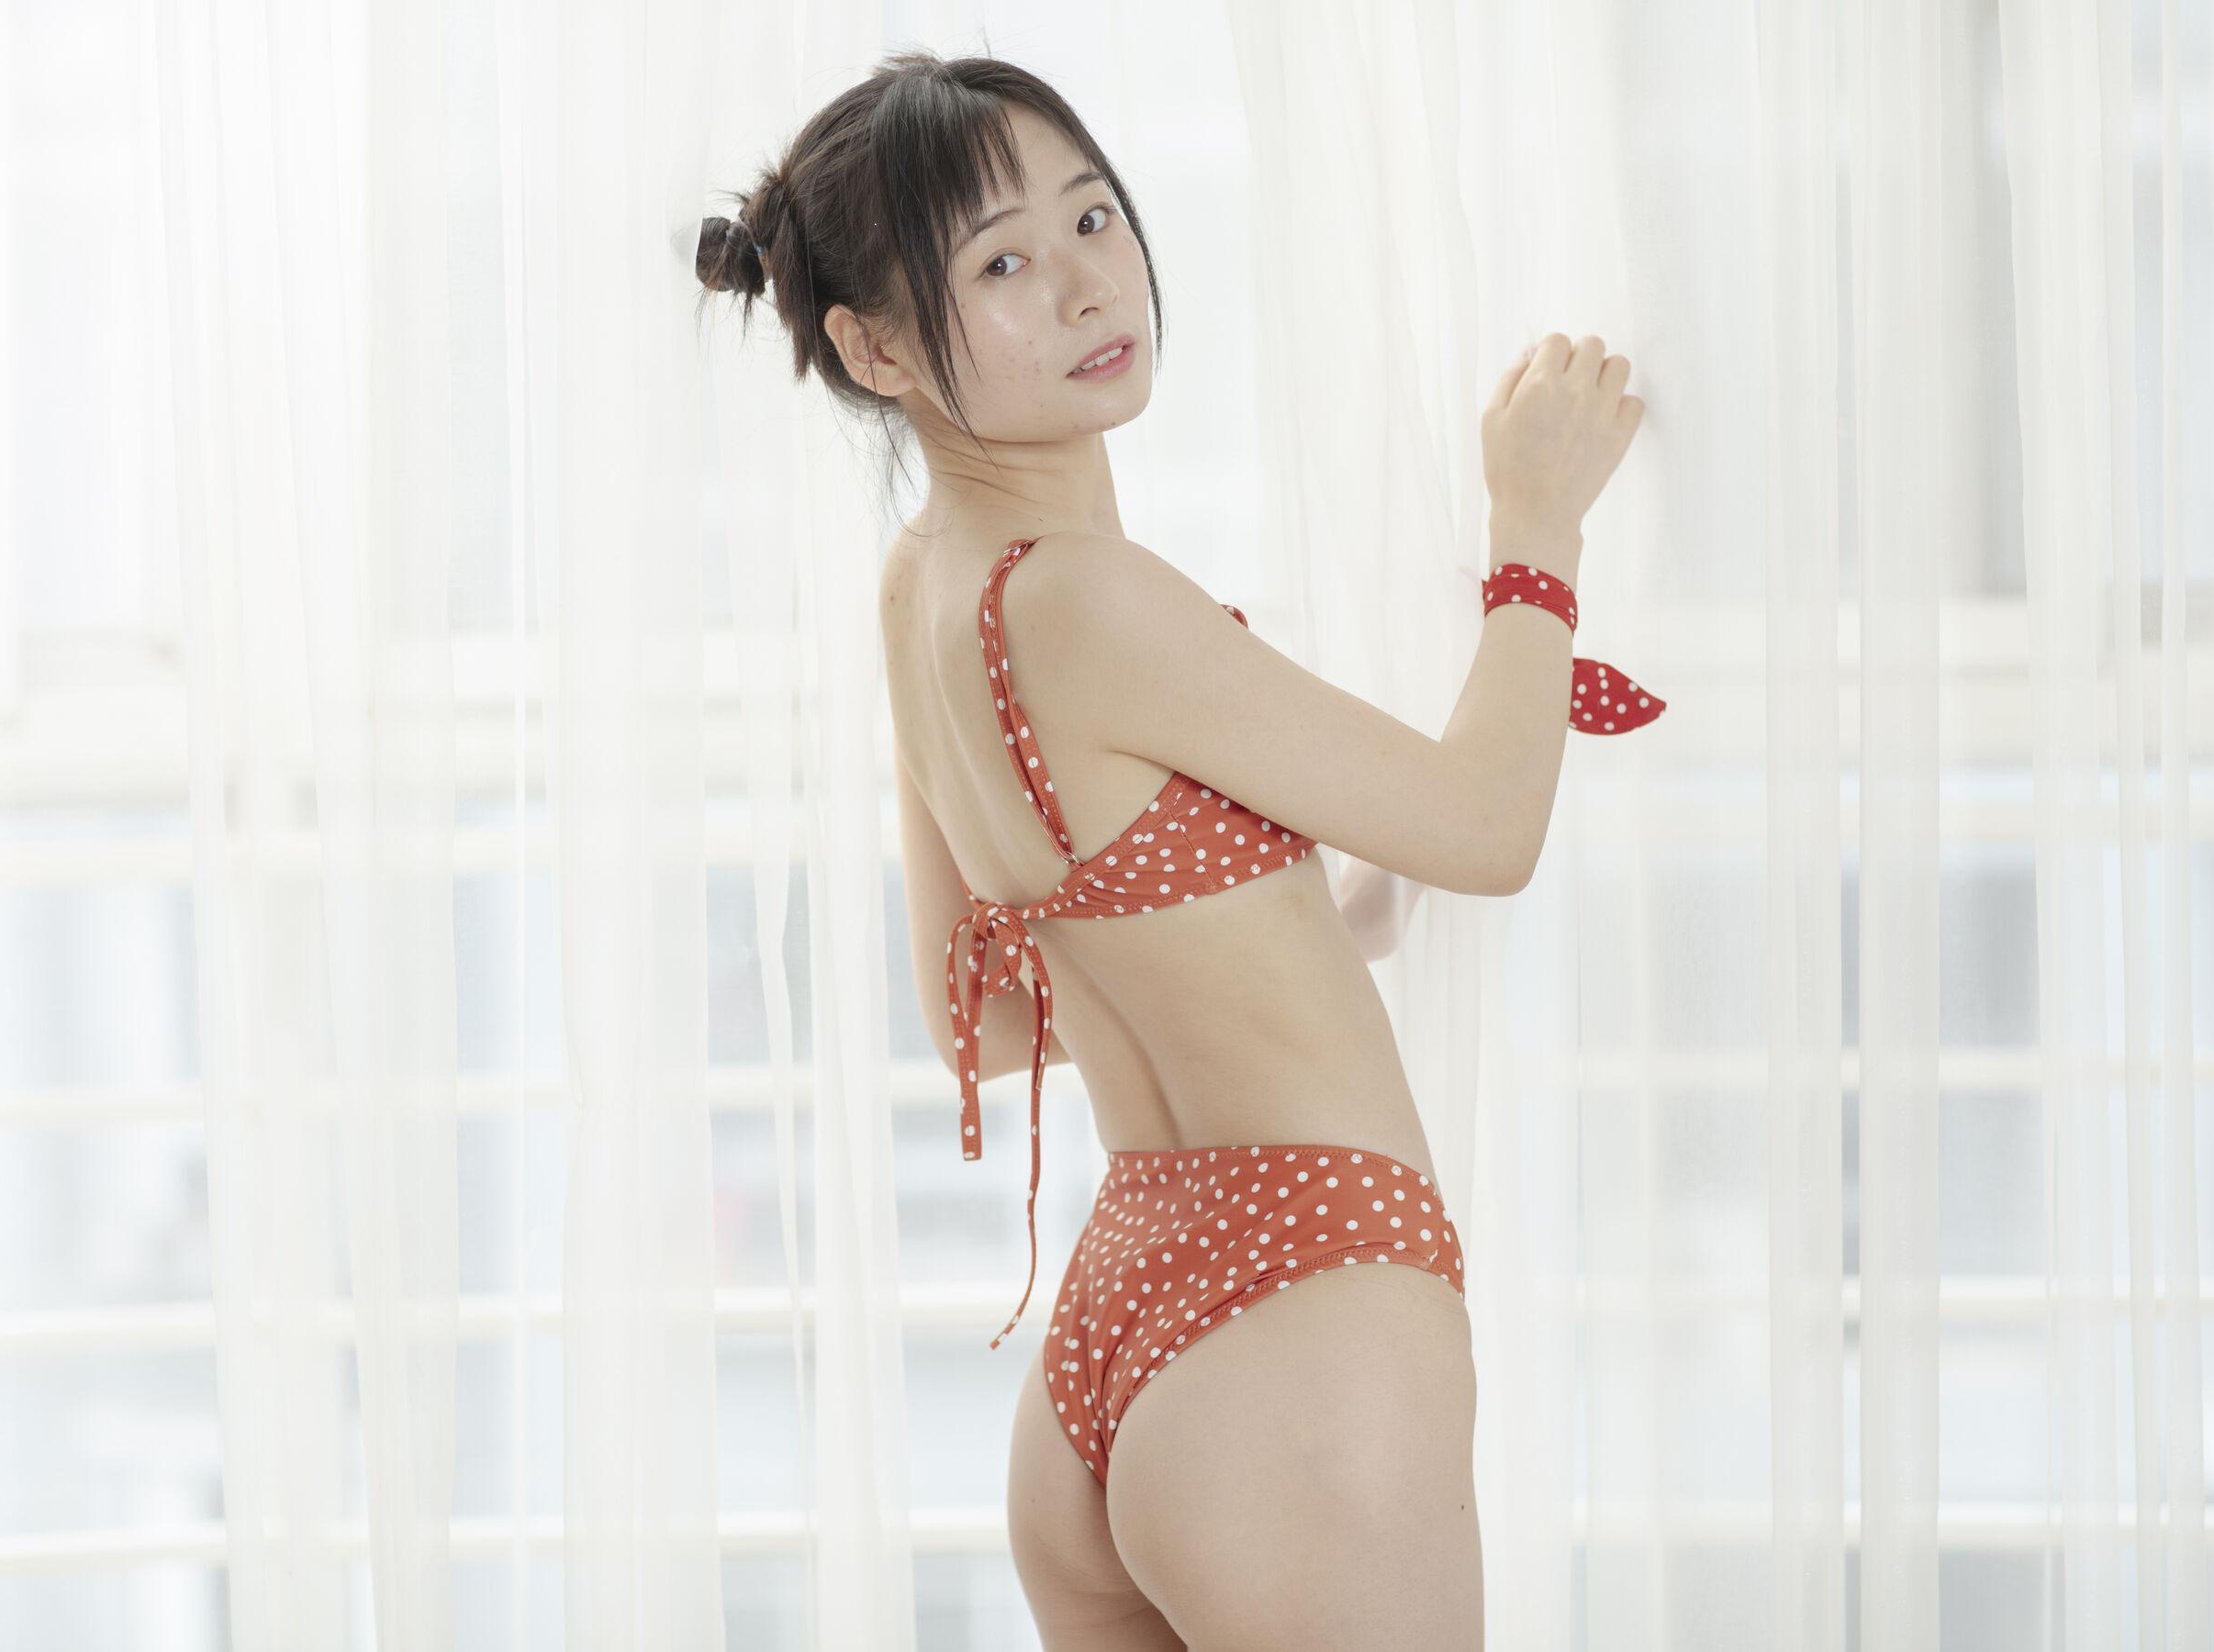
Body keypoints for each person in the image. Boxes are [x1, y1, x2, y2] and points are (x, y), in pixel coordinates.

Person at [698, 48, 1659, 1652]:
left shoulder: (925, 589)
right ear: (874, 349)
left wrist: (1291, 924)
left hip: (1115, 1336)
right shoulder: (1091, 596)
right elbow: (1490, 826)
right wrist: (1536, 530)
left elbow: (985, 1021)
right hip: (1303, 1321)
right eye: (1001, 264)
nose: (1087, 284)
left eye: (1092, 219)